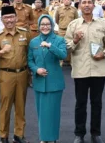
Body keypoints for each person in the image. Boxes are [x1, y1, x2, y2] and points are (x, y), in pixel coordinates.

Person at [65, 0, 105, 143]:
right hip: (80, 70)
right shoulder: (73, 25)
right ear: (79, 6)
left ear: (94, 5)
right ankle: (79, 134)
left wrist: (104, 53)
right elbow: (66, 48)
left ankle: (95, 133)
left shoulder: (103, 24)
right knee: (80, 103)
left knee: (96, 103)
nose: (86, 5)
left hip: (99, 69)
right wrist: (75, 40)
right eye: (83, 3)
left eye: (89, 3)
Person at [0, 6, 31, 143]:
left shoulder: (24, 34)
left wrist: (31, 73)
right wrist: (2, 51)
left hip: (22, 73)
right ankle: (4, 136)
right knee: (5, 107)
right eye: (6, 17)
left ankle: (19, 135)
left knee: (21, 106)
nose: (9, 20)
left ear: (16, 17)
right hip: (6, 74)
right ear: (2, 19)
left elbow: (29, 53)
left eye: (11, 17)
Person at [27, 15, 67, 143]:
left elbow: (63, 55)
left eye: (47, 24)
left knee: (53, 113)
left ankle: (53, 138)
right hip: (39, 82)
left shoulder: (59, 40)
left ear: (52, 25)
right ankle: (44, 138)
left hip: (54, 83)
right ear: (39, 26)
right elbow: (30, 60)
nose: (45, 26)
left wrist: (50, 46)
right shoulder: (33, 42)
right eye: (42, 24)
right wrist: (36, 70)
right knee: (42, 113)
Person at [55, 0, 79, 64]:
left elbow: (76, 20)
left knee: (72, 46)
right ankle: (60, 63)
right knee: (60, 46)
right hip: (61, 30)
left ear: (70, 1)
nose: (66, 1)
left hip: (71, 31)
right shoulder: (59, 9)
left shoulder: (74, 9)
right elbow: (57, 20)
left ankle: (72, 63)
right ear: (62, 0)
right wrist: (61, 26)